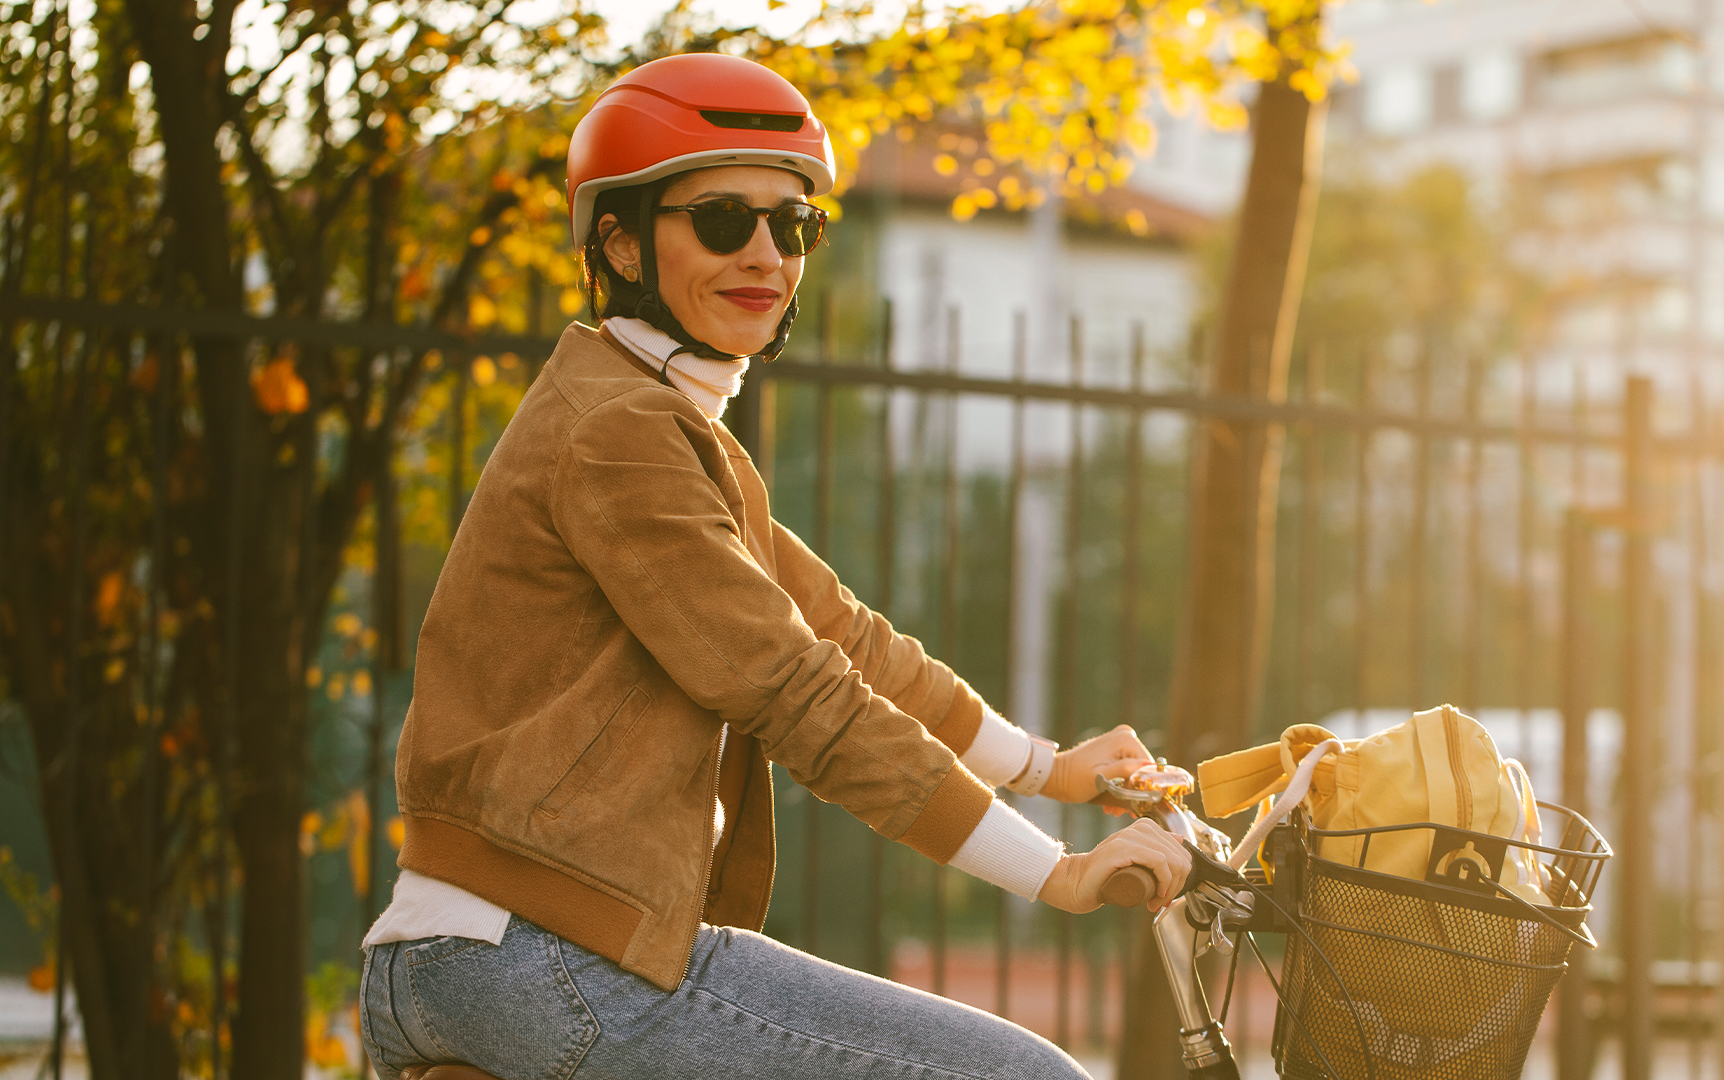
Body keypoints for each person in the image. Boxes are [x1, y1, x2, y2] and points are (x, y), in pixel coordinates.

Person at [357, 52, 1192, 1080]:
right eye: (721, 221)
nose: (764, 254)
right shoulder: (619, 434)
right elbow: (800, 693)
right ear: (619, 241)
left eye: (792, 226)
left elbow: (845, 638)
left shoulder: (658, 426)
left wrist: (1048, 769)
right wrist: (1056, 873)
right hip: (541, 958)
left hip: (492, 960)